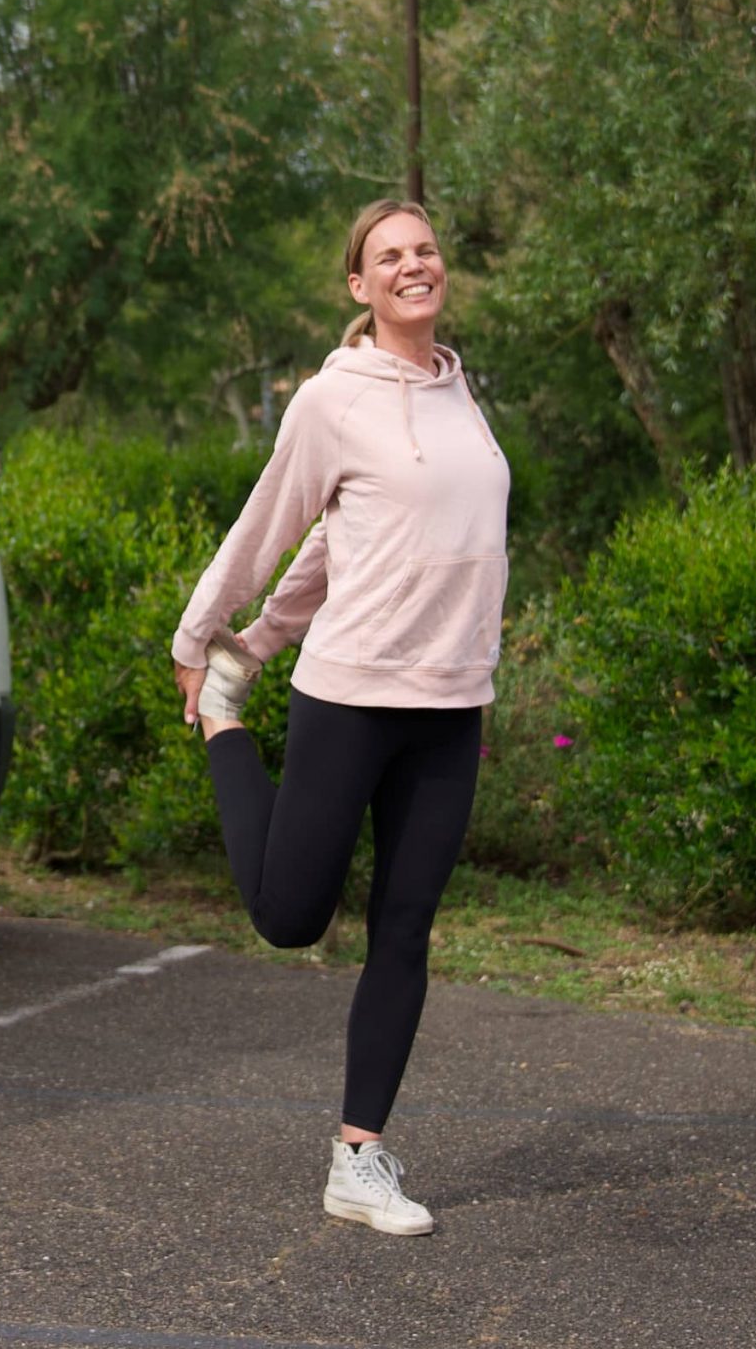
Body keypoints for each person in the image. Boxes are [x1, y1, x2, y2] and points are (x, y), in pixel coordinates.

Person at [170, 199, 508, 1237]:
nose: (414, 266)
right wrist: (211, 646)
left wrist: (264, 635)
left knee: (403, 929)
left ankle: (357, 1161)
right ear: (359, 288)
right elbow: (275, 522)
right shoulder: (331, 400)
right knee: (288, 919)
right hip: (351, 697)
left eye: (425, 251)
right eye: (389, 257)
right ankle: (226, 727)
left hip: (450, 707)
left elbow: (346, 545)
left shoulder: (462, 396)